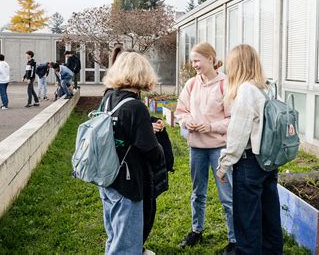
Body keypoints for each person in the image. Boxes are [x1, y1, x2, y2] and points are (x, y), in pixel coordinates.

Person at [216, 44, 283, 255]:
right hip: (269, 161)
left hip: (249, 162)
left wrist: (224, 163)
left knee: (247, 222)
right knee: (269, 217)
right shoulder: (268, 88)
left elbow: (238, 135)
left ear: (238, 65)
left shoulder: (246, 90)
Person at [99, 51, 167, 255]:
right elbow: (149, 148)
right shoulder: (136, 107)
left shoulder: (109, 98)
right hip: (128, 182)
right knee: (127, 244)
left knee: (114, 235)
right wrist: (161, 151)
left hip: (108, 176)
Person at [175, 42, 235, 254]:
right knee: (197, 193)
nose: (194, 65)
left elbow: (233, 120)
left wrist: (210, 126)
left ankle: (234, 240)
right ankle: (196, 231)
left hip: (220, 150)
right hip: (196, 149)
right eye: (192, 61)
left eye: (197, 60)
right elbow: (180, 111)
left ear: (211, 58)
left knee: (227, 196)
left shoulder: (226, 84)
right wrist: (186, 121)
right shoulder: (191, 84)